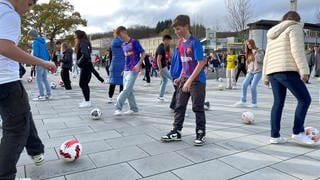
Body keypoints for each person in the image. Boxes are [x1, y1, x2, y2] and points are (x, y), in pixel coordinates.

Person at [0, 0, 57, 178]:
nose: (28, 10)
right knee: (16, 130)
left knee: (22, 114)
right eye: (30, 4)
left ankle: (36, 149)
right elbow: (5, 47)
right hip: (5, 81)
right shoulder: (9, 13)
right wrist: (43, 62)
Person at [262, 11, 314, 145]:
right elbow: (296, 50)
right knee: (304, 99)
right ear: (297, 19)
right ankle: (298, 132)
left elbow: (267, 56)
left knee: (278, 103)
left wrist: (265, 76)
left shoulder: (272, 34)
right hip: (286, 70)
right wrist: (304, 70)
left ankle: (275, 136)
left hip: (273, 72)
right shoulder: (294, 27)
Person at [161, 15, 207, 146]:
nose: (176, 32)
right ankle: (176, 131)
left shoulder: (195, 43)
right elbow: (184, 64)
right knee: (179, 106)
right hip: (185, 79)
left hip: (197, 80)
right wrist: (181, 78)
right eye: (175, 30)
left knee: (197, 107)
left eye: (178, 29)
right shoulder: (180, 43)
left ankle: (200, 132)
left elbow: (200, 64)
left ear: (186, 26)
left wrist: (189, 81)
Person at [114, 26, 146, 116]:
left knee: (126, 89)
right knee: (129, 91)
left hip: (134, 69)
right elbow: (126, 58)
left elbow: (143, 53)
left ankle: (117, 107)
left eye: (120, 36)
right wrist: (124, 69)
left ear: (124, 32)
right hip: (126, 70)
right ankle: (134, 108)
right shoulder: (123, 45)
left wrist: (139, 64)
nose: (120, 38)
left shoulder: (135, 42)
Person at [74, 30, 104, 108]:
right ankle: (86, 100)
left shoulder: (83, 42)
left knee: (82, 84)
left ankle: (87, 101)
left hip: (85, 66)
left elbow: (85, 54)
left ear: (79, 35)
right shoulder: (85, 42)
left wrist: (78, 62)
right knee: (84, 84)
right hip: (86, 65)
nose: (74, 36)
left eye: (75, 35)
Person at [233, 39, 264, 108]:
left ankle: (254, 103)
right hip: (250, 71)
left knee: (253, 86)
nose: (248, 46)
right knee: (244, 84)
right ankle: (243, 101)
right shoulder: (248, 53)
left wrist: (255, 53)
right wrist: (248, 69)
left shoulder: (259, 50)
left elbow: (261, 60)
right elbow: (248, 62)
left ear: (252, 43)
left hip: (258, 71)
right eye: (247, 45)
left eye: (249, 44)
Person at [28, 29, 52, 101]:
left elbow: (35, 54)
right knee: (45, 79)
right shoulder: (42, 42)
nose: (29, 37)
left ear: (32, 35)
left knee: (39, 79)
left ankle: (41, 95)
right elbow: (47, 53)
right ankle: (49, 94)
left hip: (39, 62)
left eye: (29, 35)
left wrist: (33, 63)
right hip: (45, 62)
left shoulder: (35, 42)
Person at [108, 35, 125, 103]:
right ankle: (121, 98)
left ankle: (110, 97)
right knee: (122, 83)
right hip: (122, 64)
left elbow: (110, 56)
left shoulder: (112, 44)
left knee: (113, 81)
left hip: (114, 63)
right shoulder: (125, 44)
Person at [156, 35, 173, 102]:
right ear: (165, 40)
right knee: (172, 78)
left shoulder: (163, 47)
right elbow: (158, 60)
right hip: (162, 67)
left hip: (163, 66)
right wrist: (160, 70)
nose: (169, 42)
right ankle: (178, 92)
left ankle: (160, 97)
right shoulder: (161, 48)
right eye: (168, 41)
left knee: (165, 81)